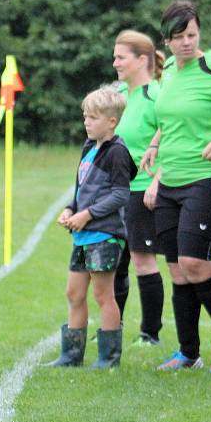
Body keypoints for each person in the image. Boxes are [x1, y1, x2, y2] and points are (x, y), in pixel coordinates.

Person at [141, 0, 211, 372]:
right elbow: (167, 117)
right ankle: (188, 352)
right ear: (166, 39)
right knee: (175, 268)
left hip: (203, 178)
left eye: (192, 35)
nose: (186, 43)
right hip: (168, 179)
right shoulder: (168, 68)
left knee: (194, 262)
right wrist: (155, 144)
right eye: (178, 37)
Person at [47, 86, 136, 368]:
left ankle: (108, 358)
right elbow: (82, 187)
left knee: (102, 295)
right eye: (85, 116)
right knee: (73, 293)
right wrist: (71, 208)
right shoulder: (89, 147)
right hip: (83, 235)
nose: (86, 122)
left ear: (112, 121)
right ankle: (71, 355)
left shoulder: (118, 153)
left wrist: (87, 215)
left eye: (93, 117)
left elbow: (121, 194)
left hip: (105, 234)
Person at [112, 30, 166, 346]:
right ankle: (112, 327)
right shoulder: (118, 93)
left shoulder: (157, 95)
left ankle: (150, 333)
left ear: (141, 59)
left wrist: (157, 179)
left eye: (121, 57)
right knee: (114, 260)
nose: (115, 62)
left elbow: (173, 136)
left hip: (142, 188)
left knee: (143, 259)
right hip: (114, 191)